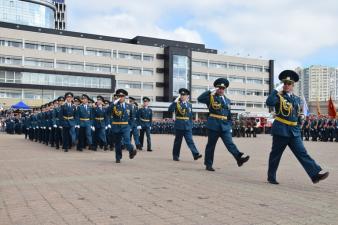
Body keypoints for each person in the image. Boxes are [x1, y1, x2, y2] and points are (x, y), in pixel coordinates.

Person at [266, 70, 329, 184]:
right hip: (281, 130)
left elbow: (297, 114)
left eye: (288, 83)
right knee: (276, 155)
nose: (286, 85)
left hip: (294, 131)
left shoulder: (297, 99)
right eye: (284, 83)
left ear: (293, 86)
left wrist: (300, 122)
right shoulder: (278, 96)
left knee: (302, 153)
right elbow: (269, 102)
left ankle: (315, 175)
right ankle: (271, 177)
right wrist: (276, 89)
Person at [197, 78, 250, 171]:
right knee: (211, 145)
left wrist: (230, 126)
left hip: (225, 126)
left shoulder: (228, 100)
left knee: (230, 143)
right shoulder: (211, 98)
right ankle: (208, 164)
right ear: (216, 88)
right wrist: (210, 90)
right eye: (219, 88)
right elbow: (199, 98)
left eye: (222, 88)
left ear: (224, 89)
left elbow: (229, 115)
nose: (221, 90)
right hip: (213, 125)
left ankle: (239, 158)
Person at [168, 88, 202, 161]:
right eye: (181, 95)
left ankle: (195, 154)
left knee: (190, 140)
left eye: (184, 95)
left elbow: (190, 116)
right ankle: (175, 156)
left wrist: (191, 125)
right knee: (178, 142)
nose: (182, 96)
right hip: (179, 125)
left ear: (187, 96)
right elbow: (170, 110)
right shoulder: (177, 104)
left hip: (188, 126)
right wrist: (174, 102)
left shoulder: (190, 105)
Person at [108, 89, 137, 163]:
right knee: (117, 143)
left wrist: (130, 126)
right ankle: (118, 158)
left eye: (122, 96)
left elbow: (132, 118)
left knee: (127, 141)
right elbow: (107, 112)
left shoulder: (129, 106)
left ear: (125, 97)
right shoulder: (114, 105)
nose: (120, 98)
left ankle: (131, 150)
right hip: (116, 126)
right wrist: (113, 103)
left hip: (125, 126)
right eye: (119, 96)